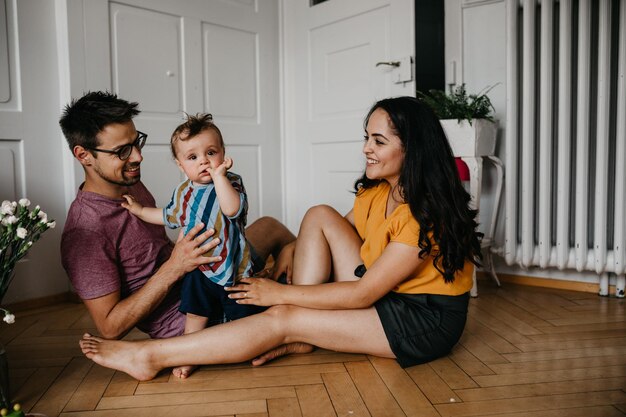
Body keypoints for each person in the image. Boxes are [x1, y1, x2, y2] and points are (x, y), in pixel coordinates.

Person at [79, 96, 483, 380]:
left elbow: (361, 295)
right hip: (384, 291)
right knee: (319, 215)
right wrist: (292, 253)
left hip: (422, 319)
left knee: (283, 316)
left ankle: (149, 356)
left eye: (378, 141)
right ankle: (302, 329)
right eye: (367, 137)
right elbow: (332, 234)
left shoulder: (424, 215)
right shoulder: (377, 192)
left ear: (412, 149)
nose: (365, 149)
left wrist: (278, 294)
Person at [60, 91, 295, 353]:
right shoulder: (84, 231)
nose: (138, 157)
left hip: (201, 271)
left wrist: (284, 253)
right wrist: (175, 266)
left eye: (136, 142)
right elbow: (109, 328)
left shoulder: (129, 183)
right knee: (293, 314)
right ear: (83, 155)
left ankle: (284, 272)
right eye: (122, 151)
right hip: (189, 316)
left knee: (271, 227)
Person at [121, 113, 266, 378]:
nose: (204, 161)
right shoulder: (183, 193)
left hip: (233, 269)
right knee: (195, 315)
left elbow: (232, 209)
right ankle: (189, 354)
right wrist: (141, 210)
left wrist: (220, 176)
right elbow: (167, 215)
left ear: (223, 154)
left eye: (211, 152)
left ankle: (257, 345)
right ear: (180, 165)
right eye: (192, 157)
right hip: (199, 270)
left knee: (246, 319)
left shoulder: (231, 182)